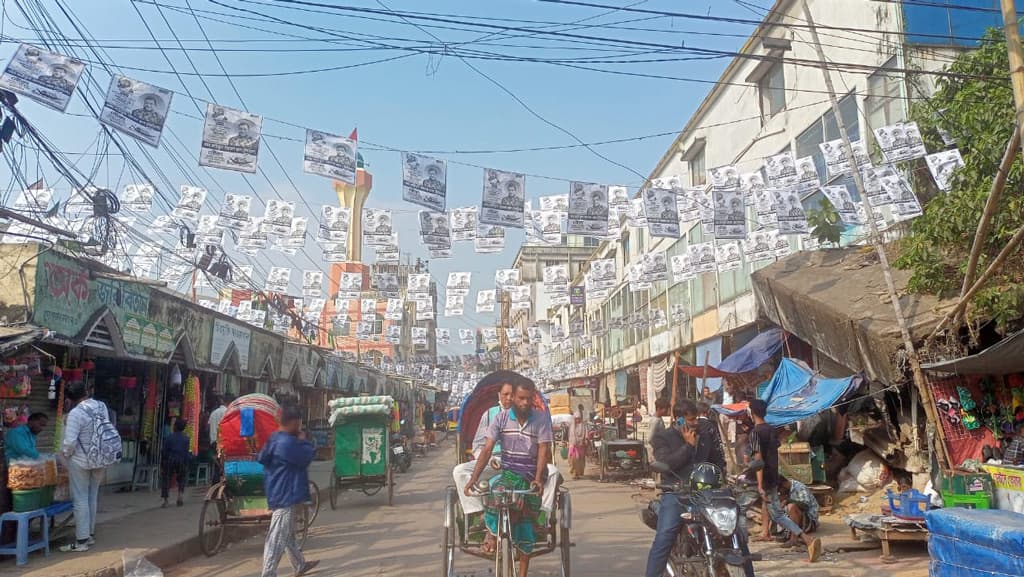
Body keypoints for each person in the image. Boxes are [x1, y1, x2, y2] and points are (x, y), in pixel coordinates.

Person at [466, 375, 554, 577]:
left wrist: (538, 478)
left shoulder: (540, 418)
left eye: (528, 399)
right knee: (494, 493)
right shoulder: (500, 418)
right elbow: (487, 448)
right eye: (521, 398)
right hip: (508, 473)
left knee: (525, 525)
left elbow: (543, 449)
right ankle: (494, 533)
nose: (525, 403)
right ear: (512, 397)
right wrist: (474, 478)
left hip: (531, 473)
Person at [645, 401, 733, 577]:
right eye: (691, 419)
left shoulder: (705, 435)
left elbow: (717, 462)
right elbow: (667, 464)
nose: (695, 423)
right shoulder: (662, 438)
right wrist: (688, 446)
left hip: (706, 495)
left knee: (732, 529)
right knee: (664, 538)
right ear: (678, 420)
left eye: (695, 419)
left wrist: (723, 478)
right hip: (677, 494)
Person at [749, 399, 821, 562]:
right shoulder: (772, 430)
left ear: (751, 412)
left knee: (775, 513)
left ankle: (807, 539)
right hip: (773, 476)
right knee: (773, 510)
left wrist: (760, 485)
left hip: (764, 478)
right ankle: (769, 533)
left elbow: (758, 460)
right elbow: (774, 454)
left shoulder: (755, 433)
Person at [258, 405, 319, 577]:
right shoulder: (288, 443)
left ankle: (299, 564)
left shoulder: (274, 438)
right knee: (277, 536)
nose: (300, 427)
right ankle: (268, 573)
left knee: (288, 533)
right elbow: (306, 456)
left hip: (278, 490)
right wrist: (302, 440)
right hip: (285, 494)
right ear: (293, 423)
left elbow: (262, 457)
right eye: (299, 424)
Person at [60, 383, 113, 552]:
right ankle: (89, 534)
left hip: (81, 461)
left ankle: (81, 541)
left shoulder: (75, 413)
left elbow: (69, 442)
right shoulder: (101, 406)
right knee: (92, 496)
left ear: (70, 399)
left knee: (80, 498)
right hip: (101, 458)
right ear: (86, 392)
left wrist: (65, 455)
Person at [453, 382, 515, 512]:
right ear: (499, 395)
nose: (509, 398)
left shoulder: (524, 414)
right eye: (505, 394)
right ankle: (477, 511)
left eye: (512, 394)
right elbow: (478, 445)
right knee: (459, 471)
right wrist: (490, 459)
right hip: (493, 461)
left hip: (518, 463)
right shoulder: (489, 414)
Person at [161, 419, 191, 508]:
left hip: (170, 460)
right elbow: (186, 453)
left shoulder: (169, 437)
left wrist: (163, 462)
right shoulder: (186, 438)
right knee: (181, 478)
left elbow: (165, 452)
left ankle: (166, 500)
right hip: (181, 460)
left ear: (175, 427)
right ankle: (180, 496)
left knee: (166, 478)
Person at [567, 413, 588, 479]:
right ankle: (574, 473)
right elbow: (569, 435)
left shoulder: (584, 426)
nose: (577, 420)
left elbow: (586, 433)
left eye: (579, 418)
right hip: (573, 445)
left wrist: (586, 439)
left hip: (581, 445)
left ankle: (578, 473)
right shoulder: (572, 426)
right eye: (576, 419)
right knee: (573, 459)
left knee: (580, 460)